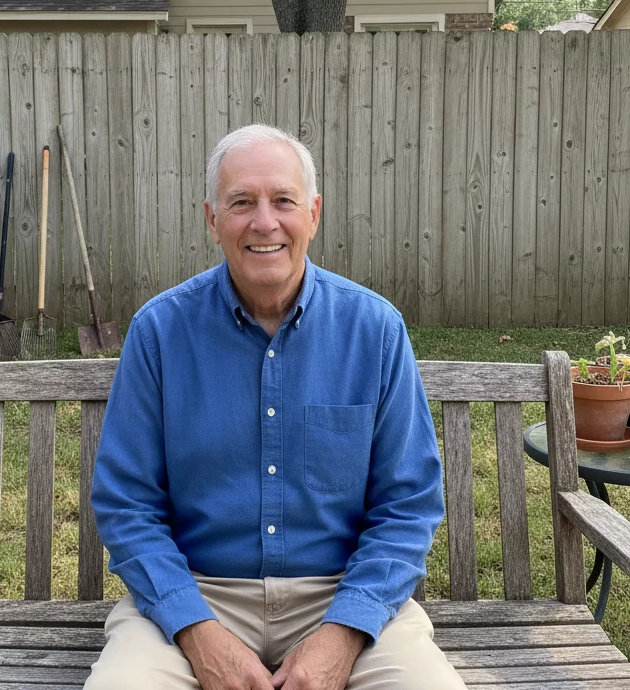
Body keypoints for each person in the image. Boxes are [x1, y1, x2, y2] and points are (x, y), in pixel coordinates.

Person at [88, 124, 465, 690]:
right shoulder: (160, 333)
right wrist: (196, 631)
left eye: (283, 201)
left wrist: (344, 631)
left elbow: (408, 504)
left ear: (313, 213)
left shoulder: (375, 330)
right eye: (241, 203)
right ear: (212, 220)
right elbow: (126, 504)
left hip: (343, 594)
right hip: (197, 593)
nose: (265, 222)